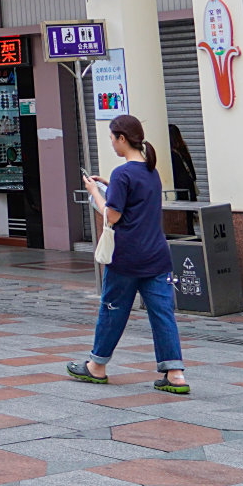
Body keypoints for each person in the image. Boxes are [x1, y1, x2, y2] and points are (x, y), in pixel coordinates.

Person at [70, 115, 190, 394]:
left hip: (126, 257)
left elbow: (112, 215)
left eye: (112, 138)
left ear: (122, 139)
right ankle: (175, 374)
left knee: (112, 310)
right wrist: (110, 186)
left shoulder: (122, 174)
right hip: (157, 256)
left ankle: (96, 366)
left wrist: (95, 191)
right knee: (163, 314)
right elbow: (137, 202)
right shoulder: (151, 171)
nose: (112, 143)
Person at [169, 124, 199, 202]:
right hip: (190, 187)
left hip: (180, 190)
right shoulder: (183, 149)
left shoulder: (171, 154)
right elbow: (193, 173)